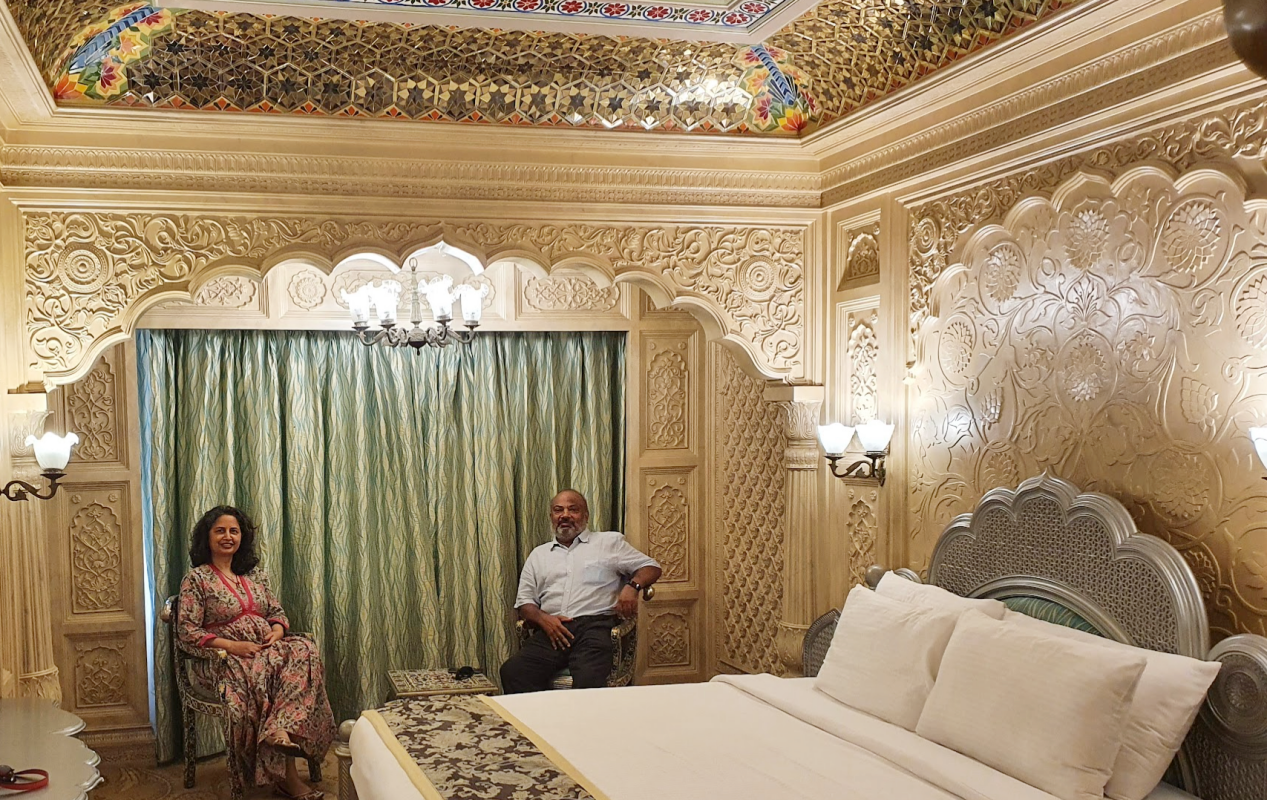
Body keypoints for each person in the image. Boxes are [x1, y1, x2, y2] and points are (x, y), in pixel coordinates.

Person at [176, 506, 335, 800]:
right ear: (206, 537)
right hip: (223, 661)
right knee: (270, 683)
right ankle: (287, 775)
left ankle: (279, 732)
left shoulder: (255, 576)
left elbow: (276, 611)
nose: (227, 536)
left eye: (233, 531)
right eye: (220, 530)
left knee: (304, 650)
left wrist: (276, 630)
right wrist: (234, 646)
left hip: (266, 652)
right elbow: (187, 630)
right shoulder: (196, 580)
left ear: (242, 537)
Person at [500, 489, 662, 694]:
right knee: (513, 671)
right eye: (558, 510)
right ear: (552, 517)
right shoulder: (539, 555)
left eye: (573, 510)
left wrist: (633, 587)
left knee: (588, 680)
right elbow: (524, 603)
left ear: (585, 516)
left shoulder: (608, 543)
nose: (565, 515)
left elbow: (652, 567)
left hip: (594, 628)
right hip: (552, 629)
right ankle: (539, 723)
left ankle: (581, 725)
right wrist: (543, 619)